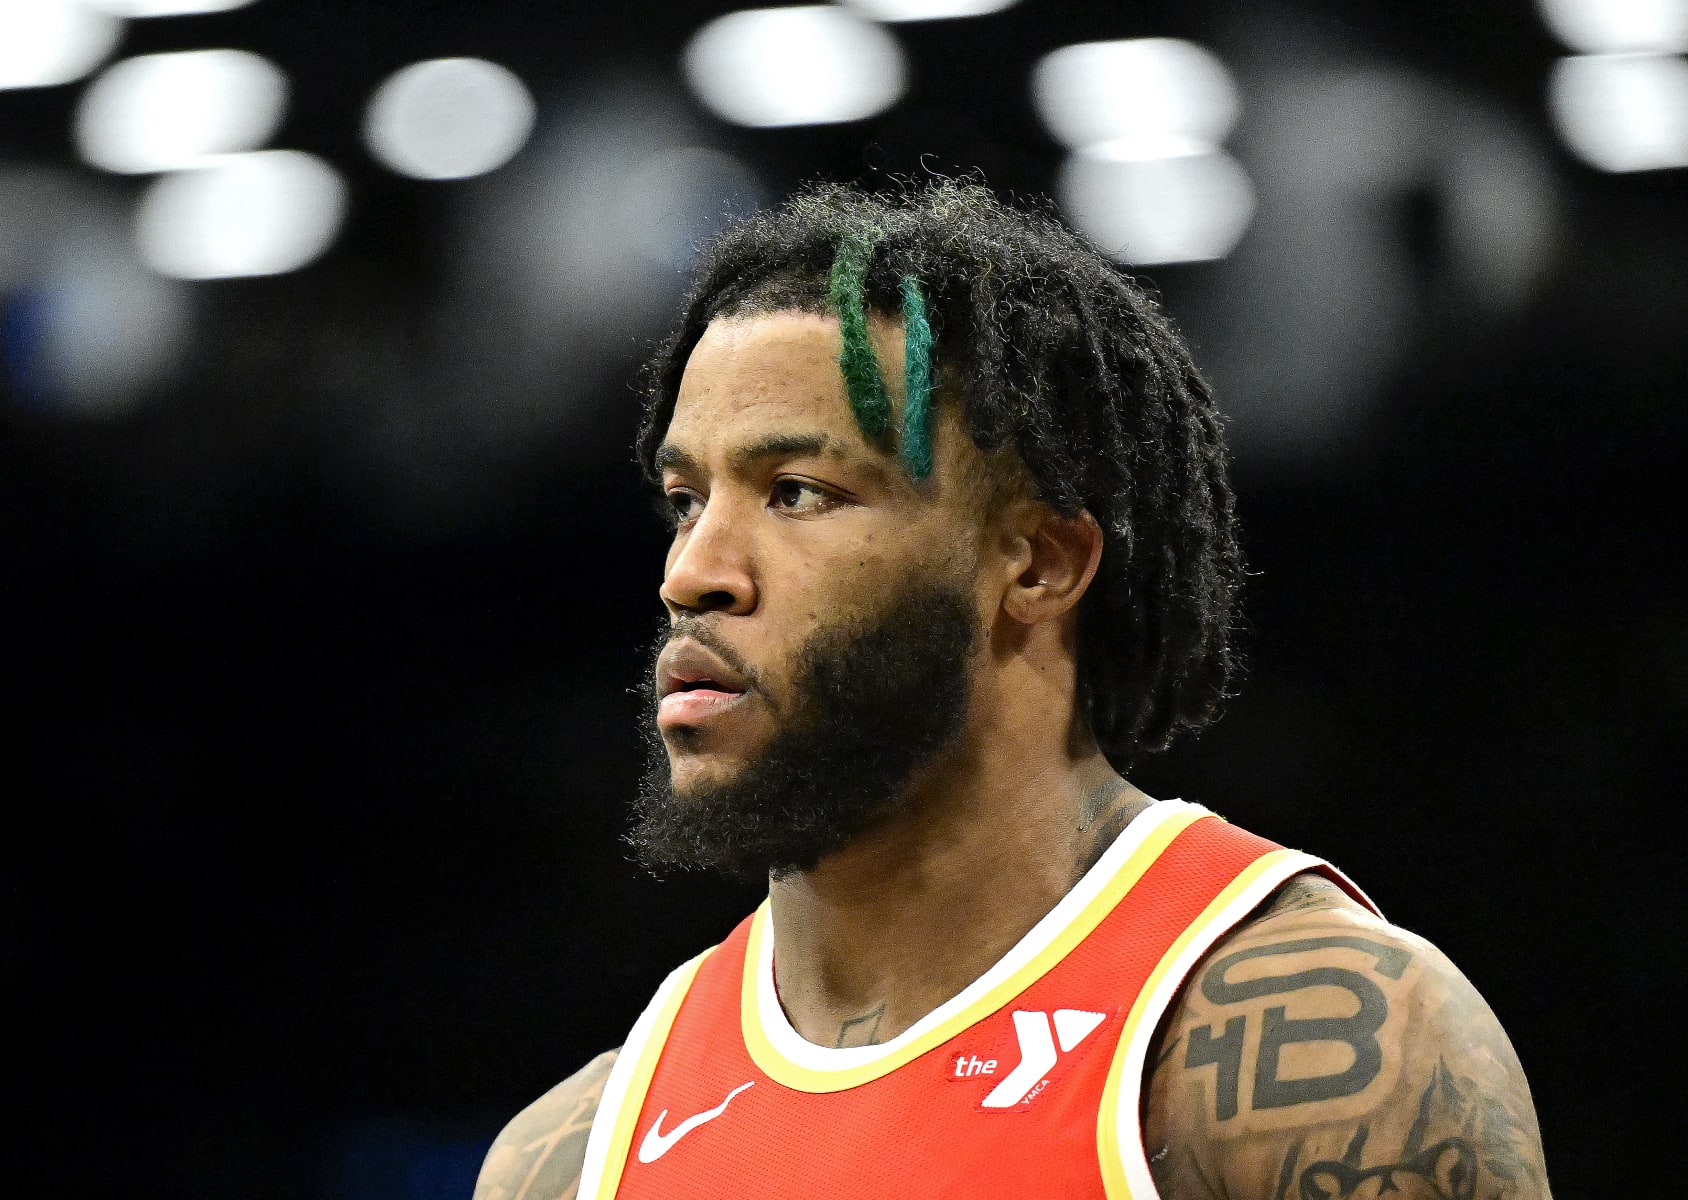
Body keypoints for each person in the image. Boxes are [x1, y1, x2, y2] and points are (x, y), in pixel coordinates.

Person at [473, 183, 1551, 1200]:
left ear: (1036, 564)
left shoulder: (1316, 1058)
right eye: (685, 499)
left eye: (797, 492)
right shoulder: (569, 1157)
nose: (692, 573)